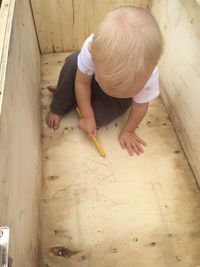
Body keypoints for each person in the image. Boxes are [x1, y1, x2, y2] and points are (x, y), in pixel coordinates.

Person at [46, 6, 163, 156]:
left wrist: (128, 131)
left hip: (115, 99)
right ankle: (60, 102)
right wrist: (87, 117)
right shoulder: (93, 49)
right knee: (72, 63)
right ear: (94, 54)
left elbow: (140, 107)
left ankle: (68, 90)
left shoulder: (148, 75)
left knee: (98, 119)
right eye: (109, 86)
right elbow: (82, 83)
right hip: (88, 78)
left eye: (129, 90)